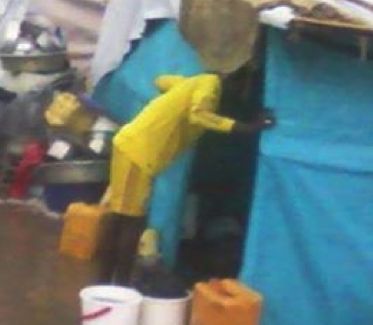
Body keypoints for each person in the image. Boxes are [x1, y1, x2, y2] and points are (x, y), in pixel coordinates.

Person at [97, 73, 274, 286]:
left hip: (132, 148)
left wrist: (177, 96)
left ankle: (105, 282)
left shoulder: (194, 83)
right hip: (138, 153)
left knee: (121, 216)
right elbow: (198, 114)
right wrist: (246, 127)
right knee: (130, 220)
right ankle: (119, 285)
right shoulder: (210, 84)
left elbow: (160, 80)